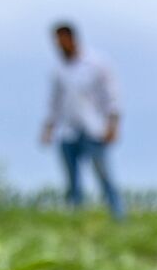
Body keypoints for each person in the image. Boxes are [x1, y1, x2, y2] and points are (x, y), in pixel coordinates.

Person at [40, 22, 124, 219]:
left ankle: (118, 217)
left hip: (94, 129)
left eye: (61, 40)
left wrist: (113, 125)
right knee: (72, 181)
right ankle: (76, 219)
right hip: (68, 131)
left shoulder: (97, 63)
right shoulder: (59, 70)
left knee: (104, 176)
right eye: (56, 41)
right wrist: (49, 128)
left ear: (71, 38)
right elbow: (55, 103)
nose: (58, 45)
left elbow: (112, 95)